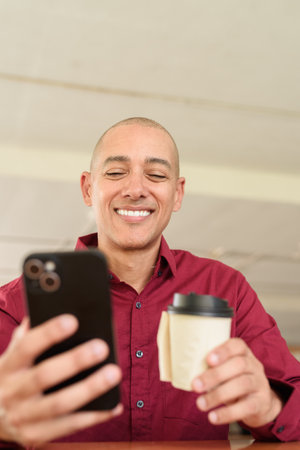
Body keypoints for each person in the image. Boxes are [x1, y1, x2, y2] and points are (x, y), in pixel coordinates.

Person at [0, 117, 299, 447]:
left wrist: (270, 406)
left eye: (156, 175)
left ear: (177, 193)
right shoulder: (14, 306)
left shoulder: (225, 288)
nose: (136, 189)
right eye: (116, 172)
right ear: (88, 188)